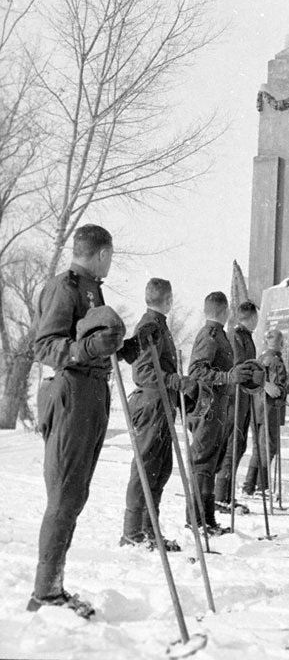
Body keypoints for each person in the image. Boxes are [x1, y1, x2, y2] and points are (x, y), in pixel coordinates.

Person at [28, 224, 156, 618]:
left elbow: (95, 342)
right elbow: (44, 346)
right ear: (103, 253)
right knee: (65, 495)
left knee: (75, 495)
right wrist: (86, 348)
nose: (111, 263)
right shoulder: (63, 287)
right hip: (70, 394)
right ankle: (44, 594)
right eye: (111, 257)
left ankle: (54, 587)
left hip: (91, 393)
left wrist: (129, 346)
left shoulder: (90, 287)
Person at [120, 278, 198, 552]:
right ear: (168, 299)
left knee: (159, 470)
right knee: (145, 467)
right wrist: (175, 380)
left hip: (162, 405)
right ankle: (133, 532)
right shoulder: (149, 326)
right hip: (151, 404)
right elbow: (142, 372)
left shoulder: (158, 324)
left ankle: (149, 530)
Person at [187, 291, 256, 535]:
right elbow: (195, 371)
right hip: (207, 408)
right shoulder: (210, 335)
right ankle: (197, 520)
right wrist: (228, 377)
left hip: (219, 407)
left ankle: (208, 519)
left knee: (211, 464)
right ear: (225, 311)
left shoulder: (221, 335)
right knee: (202, 464)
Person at [242, 329, 289, 497]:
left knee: (258, 449)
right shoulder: (276, 362)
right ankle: (262, 488)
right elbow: (278, 391)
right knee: (268, 448)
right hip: (270, 410)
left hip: (257, 409)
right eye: (282, 342)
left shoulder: (261, 359)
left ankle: (249, 486)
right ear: (281, 344)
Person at [214, 300, 259, 514]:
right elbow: (239, 365)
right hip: (235, 397)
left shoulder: (246, 336)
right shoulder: (235, 336)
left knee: (239, 446)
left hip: (245, 397)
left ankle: (226, 495)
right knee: (232, 445)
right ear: (250, 317)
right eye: (255, 317)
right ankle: (221, 497)